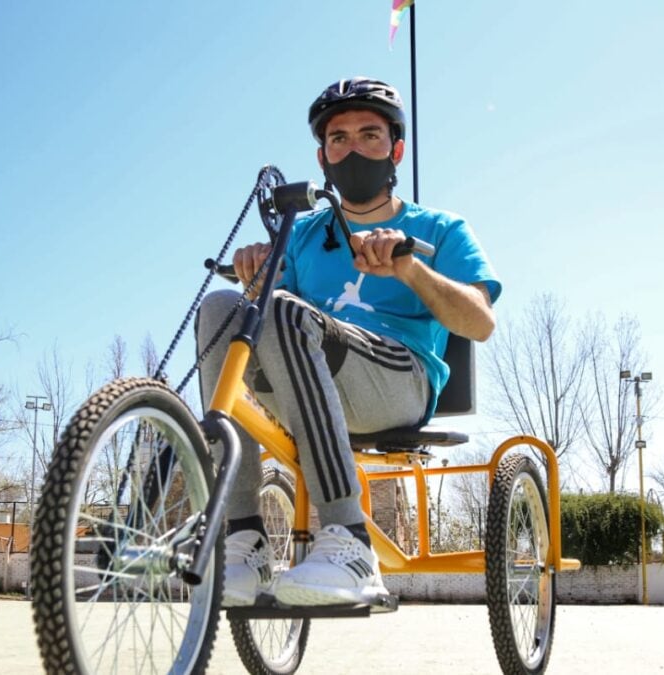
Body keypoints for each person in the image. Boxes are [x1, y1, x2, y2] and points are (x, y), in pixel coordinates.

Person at [196, 76, 501, 607]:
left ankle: (350, 543)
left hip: (395, 382)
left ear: (396, 149)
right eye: (339, 139)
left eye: (370, 135)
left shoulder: (441, 228)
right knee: (222, 309)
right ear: (322, 158)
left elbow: (479, 322)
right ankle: (244, 539)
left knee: (288, 313)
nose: (353, 148)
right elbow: (268, 323)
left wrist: (410, 270)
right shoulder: (304, 233)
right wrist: (254, 275)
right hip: (306, 381)